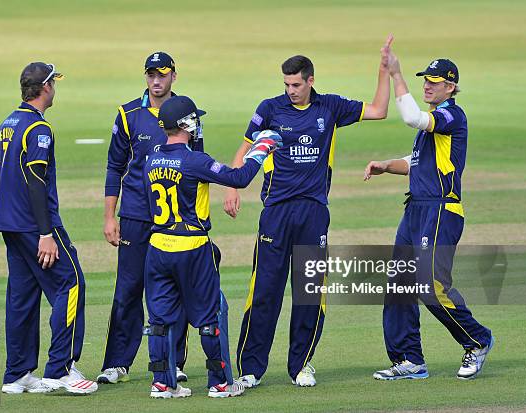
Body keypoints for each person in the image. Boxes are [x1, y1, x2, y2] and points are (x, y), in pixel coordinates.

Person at [224, 37, 393, 388]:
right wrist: (232, 187)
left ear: (311, 80)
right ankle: (251, 368)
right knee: (264, 291)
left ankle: (301, 365)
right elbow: (244, 147)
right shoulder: (270, 108)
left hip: (314, 213)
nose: (290, 91)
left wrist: (384, 69)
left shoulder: (329, 107)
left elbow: (379, 109)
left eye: (296, 84)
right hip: (276, 213)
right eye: (286, 84)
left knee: (309, 291)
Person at [364, 50, 494, 380]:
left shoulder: (452, 115)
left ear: (451, 86)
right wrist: (386, 166)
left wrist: (396, 74)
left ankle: (477, 340)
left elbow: (412, 117)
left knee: (430, 285)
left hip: (441, 209)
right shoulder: (433, 126)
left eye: (435, 81)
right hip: (416, 209)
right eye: (426, 80)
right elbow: (416, 161)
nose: (428, 85)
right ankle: (410, 359)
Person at [143, 95, 282, 398]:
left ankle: (163, 383)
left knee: (159, 320)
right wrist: (261, 148)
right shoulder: (195, 161)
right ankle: (219, 383)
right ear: (185, 124)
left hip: (157, 247)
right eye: (195, 119)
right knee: (210, 315)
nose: (198, 123)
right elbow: (240, 177)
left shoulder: (151, 158)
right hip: (192, 246)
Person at [0, 62, 97, 394]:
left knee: (22, 296)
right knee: (72, 283)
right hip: (35, 225)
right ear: (46, 87)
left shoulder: (7, 124)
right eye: (54, 82)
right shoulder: (39, 128)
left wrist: (14, 212)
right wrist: (45, 232)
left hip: (11, 224)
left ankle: (17, 375)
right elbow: (36, 180)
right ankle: (59, 370)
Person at [99, 52, 193, 384]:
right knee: (128, 289)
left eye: (162, 75)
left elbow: (196, 165)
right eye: (151, 75)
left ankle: (174, 361)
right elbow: (114, 167)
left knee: (175, 289)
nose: (156, 81)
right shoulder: (128, 114)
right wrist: (110, 217)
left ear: (173, 77)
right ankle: (116, 363)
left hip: (173, 220)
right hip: (136, 216)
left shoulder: (187, 113)